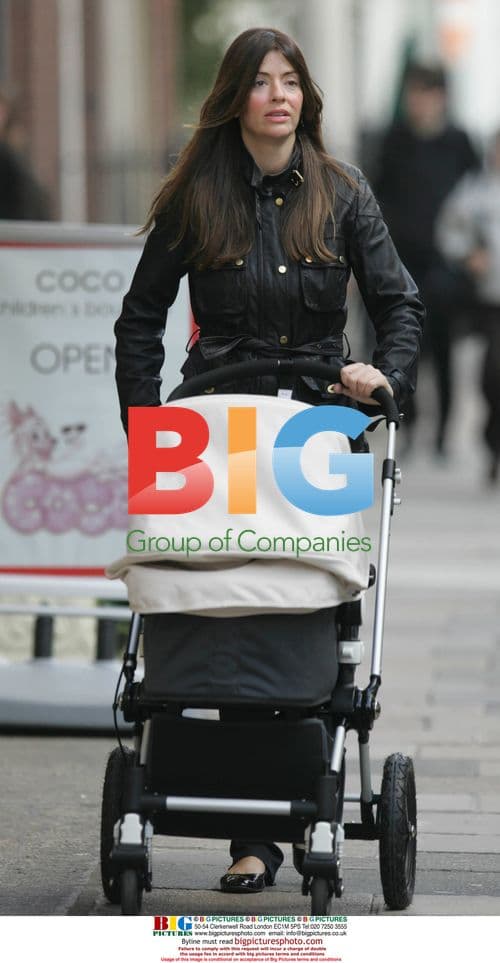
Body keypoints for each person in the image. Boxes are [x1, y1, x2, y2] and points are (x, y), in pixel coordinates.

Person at [114, 27, 424, 894]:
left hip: (314, 433)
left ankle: (280, 818)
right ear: (235, 99)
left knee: (300, 605)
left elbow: (400, 304)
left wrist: (384, 378)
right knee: (213, 602)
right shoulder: (196, 197)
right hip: (212, 430)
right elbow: (139, 320)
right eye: (261, 82)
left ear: (305, 98)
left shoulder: (343, 192)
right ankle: (249, 834)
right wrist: (146, 430)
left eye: (291, 81)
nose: (279, 95)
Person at [374, 62, 479, 455]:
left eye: (425, 93)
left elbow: (476, 197)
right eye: (413, 93)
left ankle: (444, 431)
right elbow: (377, 198)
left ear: (441, 98)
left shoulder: (460, 142)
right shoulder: (394, 141)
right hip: (401, 262)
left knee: (445, 347)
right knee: (405, 345)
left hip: (447, 265)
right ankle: (408, 420)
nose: (418, 102)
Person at [436, 129, 500, 483]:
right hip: (490, 299)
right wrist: (468, 255)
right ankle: (493, 442)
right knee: (493, 373)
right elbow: (450, 230)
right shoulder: (476, 191)